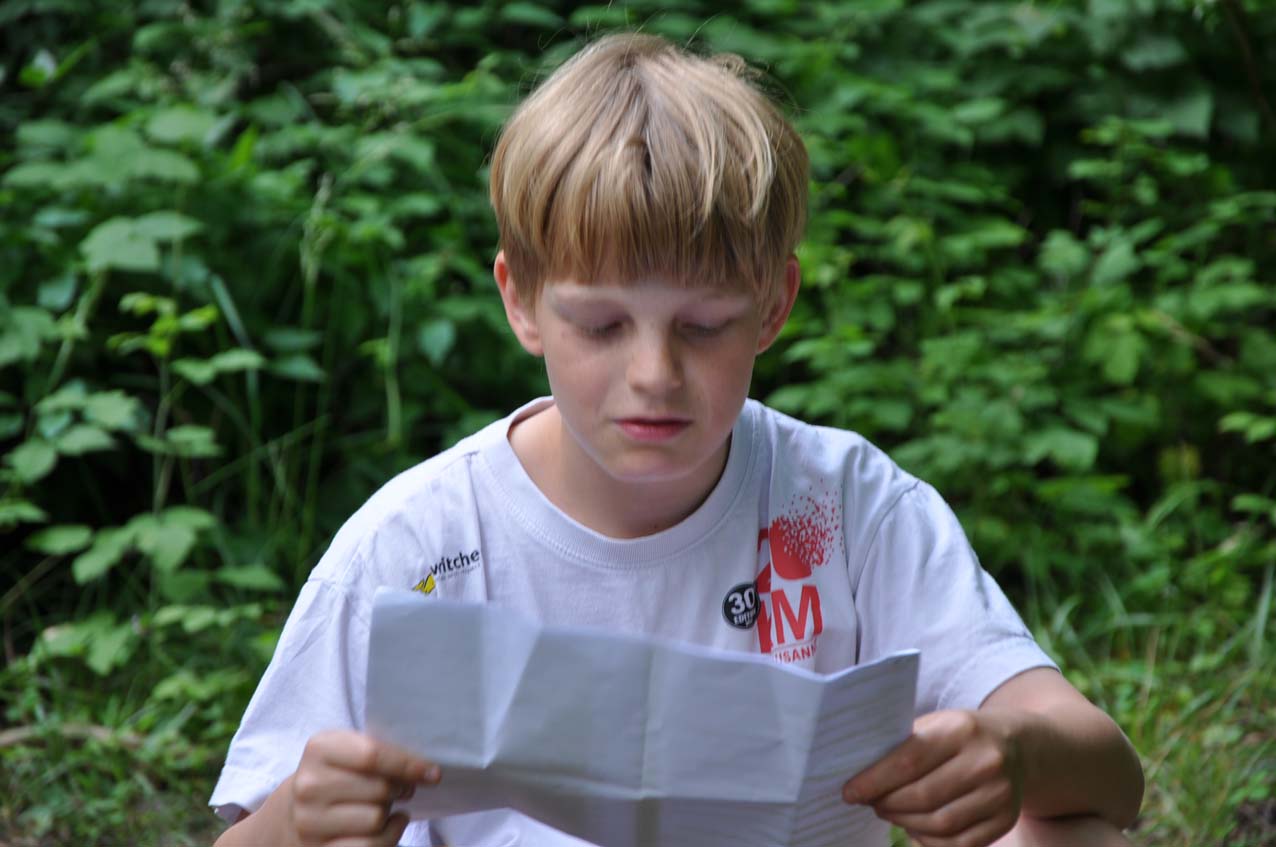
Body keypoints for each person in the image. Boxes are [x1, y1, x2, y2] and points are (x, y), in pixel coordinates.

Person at [210, 33, 1143, 847]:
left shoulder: (846, 507)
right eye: (602, 325)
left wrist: (1012, 751)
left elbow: (1112, 778)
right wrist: (302, 818)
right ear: (520, 300)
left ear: (773, 306)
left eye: (702, 325)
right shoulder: (416, 545)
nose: (654, 373)